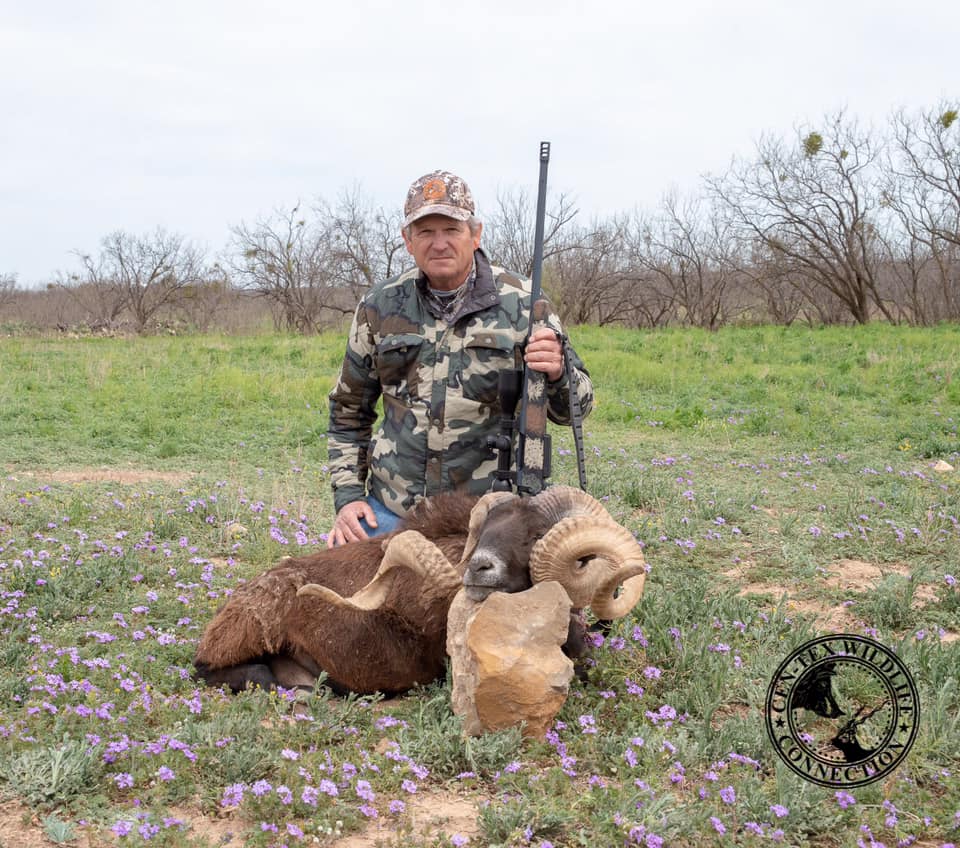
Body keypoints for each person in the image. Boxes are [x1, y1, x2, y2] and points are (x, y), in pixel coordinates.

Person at [325, 169, 593, 547]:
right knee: (337, 593)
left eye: (451, 230)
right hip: (394, 510)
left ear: (475, 234)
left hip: (490, 516)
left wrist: (558, 373)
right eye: (425, 232)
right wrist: (349, 498)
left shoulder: (525, 303)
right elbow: (348, 411)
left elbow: (576, 409)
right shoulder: (379, 305)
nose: (439, 244)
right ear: (407, 240)